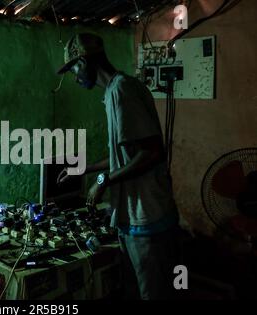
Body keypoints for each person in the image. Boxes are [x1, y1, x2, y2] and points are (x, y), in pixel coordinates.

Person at [56, 33, 180, 300]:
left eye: (75, 67)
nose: (75, 76)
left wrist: (103, 181)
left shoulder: (123, 89)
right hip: (132, 220)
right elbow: (125, 156)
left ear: (87, 61)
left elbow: (151, 153)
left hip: (148, 218)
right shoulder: (113, 92)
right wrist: (82, 169)